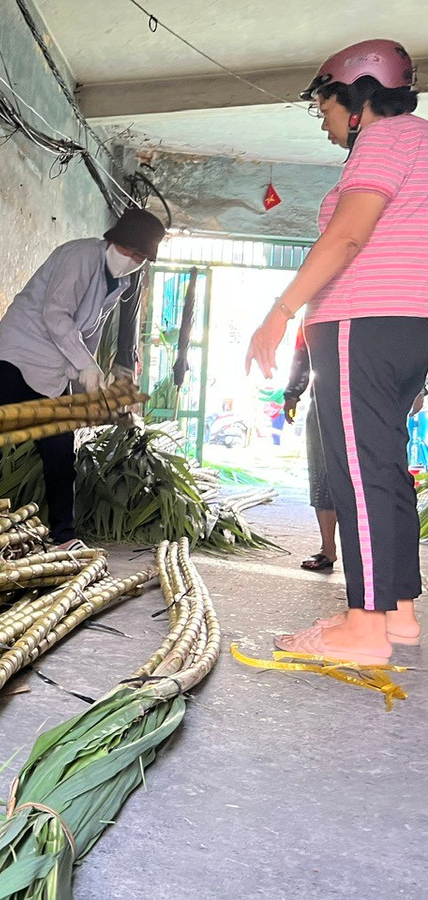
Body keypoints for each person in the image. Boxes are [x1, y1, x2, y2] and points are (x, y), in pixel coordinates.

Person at [245, 38, 427, 664]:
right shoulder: (423, 142)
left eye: (324, 107)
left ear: (357, 97)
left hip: (362, 319)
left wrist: (280, 310)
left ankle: (364, 626)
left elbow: (348, 236)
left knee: (357, 470)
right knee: (384, 463)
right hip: (410, 326)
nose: (323, 122)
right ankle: (398, 613)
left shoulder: (383, 139)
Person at [0, 207, 167, 548]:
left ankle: (63, 535)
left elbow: (89, 335)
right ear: (114, 240)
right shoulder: (81, 255)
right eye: (129, 251)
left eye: (140, 257)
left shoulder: (119, 283)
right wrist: (85, 365)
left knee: (60, 451)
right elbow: (56, 315)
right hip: (18, 355)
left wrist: (92, 385)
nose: (132, 260)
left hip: (53, 368)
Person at [282, 329, 338, 572]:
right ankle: (328, 549)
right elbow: (303, 350)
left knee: (375, 475)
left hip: (375, 398)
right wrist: (293, 393)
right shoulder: (319, 306)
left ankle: (377, 553)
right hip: (326, 398)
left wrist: (417, 388)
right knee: (323, 473)